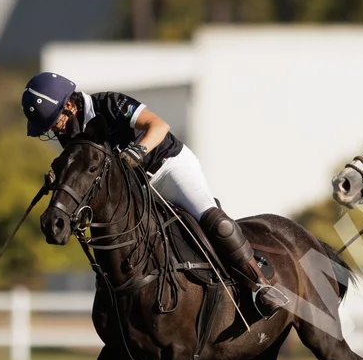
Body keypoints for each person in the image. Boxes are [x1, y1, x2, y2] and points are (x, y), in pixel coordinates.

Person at [20, 71, 288, 313]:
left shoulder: (110, 104)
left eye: (53, 121)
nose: (53, 129)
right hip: (135, 189)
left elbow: (159, 126)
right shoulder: (69, 130)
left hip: (168, 168)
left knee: (214, 221)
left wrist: (138, 151)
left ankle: (260, 285)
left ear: (69, 105)